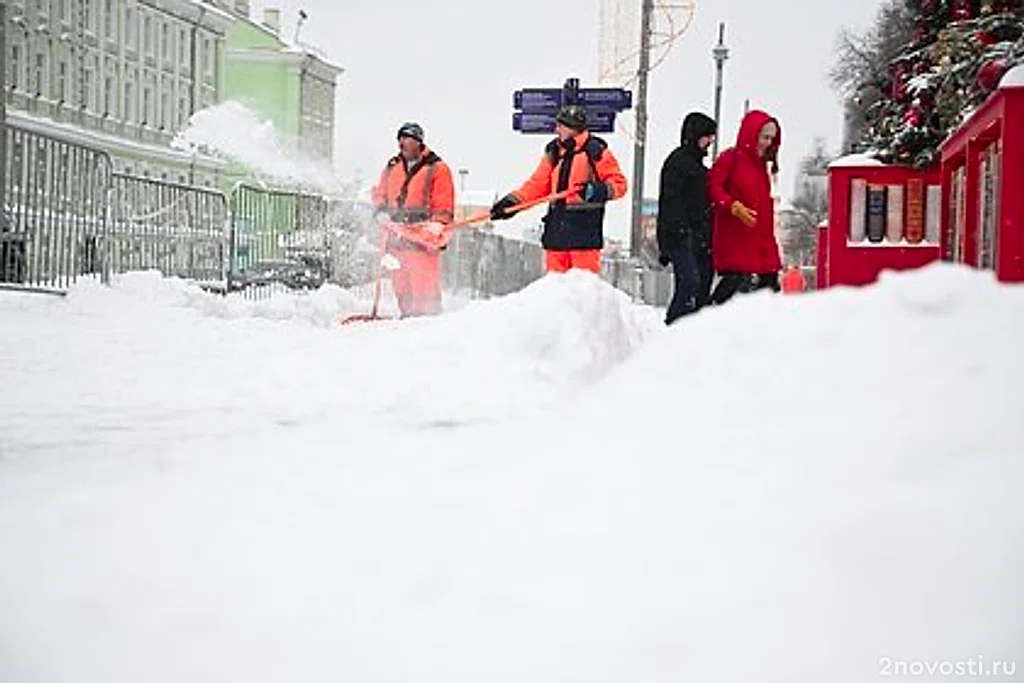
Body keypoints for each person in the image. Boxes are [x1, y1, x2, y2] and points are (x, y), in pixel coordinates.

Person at [489, 104, 627, 274]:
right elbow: (536, 186)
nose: (557, 130)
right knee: (555, 286)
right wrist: (511, 203)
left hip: (584, 236)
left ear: (572, 128)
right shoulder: (554, 152)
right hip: (556, 236)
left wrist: (595, 191)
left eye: (560, 126)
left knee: (583, 286)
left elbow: (619, 185)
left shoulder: (595, 151)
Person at [371, 122, 455, 317]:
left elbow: (444, 203)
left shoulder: (437, 168)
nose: (402, 143)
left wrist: (438, 225)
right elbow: (380, 192)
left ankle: (428, 321)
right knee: (401, 283)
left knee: (423, 285)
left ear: (418, 142)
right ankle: (407, 319)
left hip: (423, 237)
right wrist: (380, 210)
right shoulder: (392, 166)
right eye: (400, 139)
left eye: (407, 139)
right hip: (396, 236)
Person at [707, 109, 784, 304]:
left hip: (761, 243)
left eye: (771, 139)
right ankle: (707, 319)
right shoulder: (730, 158)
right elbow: (714, 187)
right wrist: (733, 206)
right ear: (752, 134)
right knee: (732, 290)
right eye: (765, 137)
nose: (768, 143)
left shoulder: (762, 167)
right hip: (736, 241)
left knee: (769, 292)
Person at [656, 111, 717, 324]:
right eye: (707, 136)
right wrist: (676, 232)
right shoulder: (678, 163)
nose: (710, 141)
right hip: (680, 236)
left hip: (700, 237)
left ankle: (692, 327)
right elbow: (670, 201)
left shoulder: (699, 168)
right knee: (690, 282)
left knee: (702, 283)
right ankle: (674, 325)